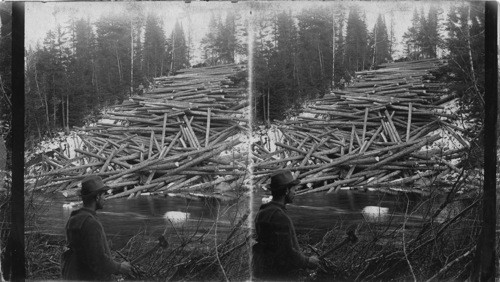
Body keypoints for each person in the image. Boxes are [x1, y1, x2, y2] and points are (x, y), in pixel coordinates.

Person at [252, 170, 320, 281]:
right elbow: (287, 253)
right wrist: (308, 261)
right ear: (286, 191)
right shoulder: (280, 217)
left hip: (261, 270)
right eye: (293, 189)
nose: (295, 192)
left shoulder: (262, 212)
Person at [62, 176, 132, 280]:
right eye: (104, 195)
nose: (105, 198)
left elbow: (83, 253)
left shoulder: (73, 219)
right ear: (97, 197)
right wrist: (120, 267)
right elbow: (98, 261)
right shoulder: (91, 223)